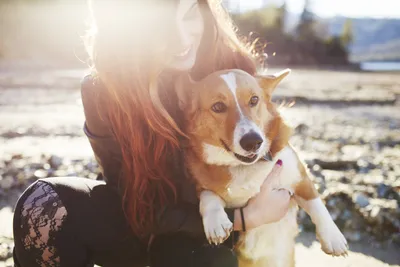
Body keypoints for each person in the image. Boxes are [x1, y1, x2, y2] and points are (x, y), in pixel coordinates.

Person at [12, 0, 292, 266]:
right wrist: (247, 217)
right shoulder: (104, 90)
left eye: (190, 13)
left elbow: (271, 155)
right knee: (43, 204)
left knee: (201, 258)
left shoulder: (233, 70)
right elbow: (134, 202)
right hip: (141, 221)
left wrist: (252, 212)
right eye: (163, 24)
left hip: (217, 224)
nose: (182, 39)